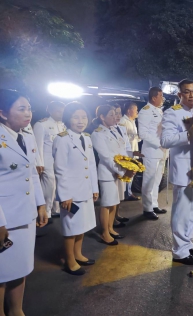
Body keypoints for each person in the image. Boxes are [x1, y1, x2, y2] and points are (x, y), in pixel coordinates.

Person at [0, 89, 48, 315]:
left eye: (29, 108)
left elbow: (33, 175)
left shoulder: (26, 137)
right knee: (1, 273)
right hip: (6, 219)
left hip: (26, 215)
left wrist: (40, 204)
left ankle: (16, 310)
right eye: (21, 109)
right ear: (2, 113)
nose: (28, 113)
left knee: (21, 267)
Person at [161, 79, 193, 265]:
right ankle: (179, 252)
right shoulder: (172, 113)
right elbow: (165, 141)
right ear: (179, 95)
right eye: (187, 92)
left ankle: (187, 243)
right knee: (181, 211)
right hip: (183, 169)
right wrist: (188, 133)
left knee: (192, 210)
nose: (192, 95)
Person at [52, 102, 98, 276]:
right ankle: (69, 261)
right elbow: (60, 170)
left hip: (85, 189)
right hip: (71, 193)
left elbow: (91, 164)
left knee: (82, 225)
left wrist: (94, 187)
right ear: (68, 119)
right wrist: (65, 195)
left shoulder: (86, 137)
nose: (81, 121)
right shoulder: (62, 139)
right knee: (71, 228)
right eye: (76, 117)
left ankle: (78, 254)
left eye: (84, 117)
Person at [91, 105, 135, 245]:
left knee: (114, 202)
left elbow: (123, 150)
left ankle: (110, 228)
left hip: (118, 171)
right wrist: (123, 171)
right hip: (108, 173)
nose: (114, 117)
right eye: (111, 114)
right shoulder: (97, 134)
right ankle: (104, 232)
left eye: (115, 114)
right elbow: (106, 157)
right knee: (107, 203)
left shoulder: (115, 130)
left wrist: (130, 164)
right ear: (102, 117)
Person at [138, 87, 168, 220]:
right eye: (161, 96)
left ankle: (154, 204)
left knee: (157, 180)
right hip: (151, 151)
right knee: (149, 180)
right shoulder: (146, 111)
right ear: (154, 97)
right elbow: (143, 134)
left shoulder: (158, 110)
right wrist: (159, 143)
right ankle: (147, 208)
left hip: (162, 151)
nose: (163, 98)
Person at [33, 101, 66, 221]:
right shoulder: (42, 124)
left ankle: (55, 209)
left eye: (62, 111)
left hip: (59, 159)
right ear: (50, 111)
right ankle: (45, 211)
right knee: (49, 185)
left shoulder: (62, 125)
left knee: (58, 184)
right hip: (46, 158)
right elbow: (38, 145)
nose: (61, 113)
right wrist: (39, 162)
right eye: (58, 111)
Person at [120, 102, 141, 201]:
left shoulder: (132, 121)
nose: (137, 112)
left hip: (134, 151)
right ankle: (125, 193)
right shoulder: (123, 121)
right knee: (127, 172)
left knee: (132, 173)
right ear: (129, 111)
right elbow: (122, 138)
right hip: (127, 152)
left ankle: (128, 192)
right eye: (135, 109)